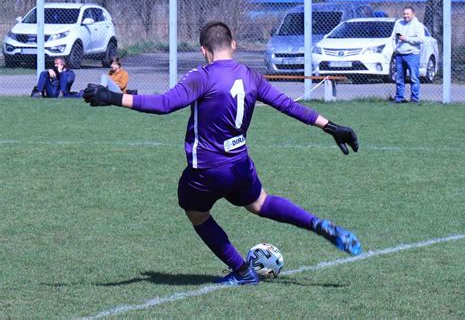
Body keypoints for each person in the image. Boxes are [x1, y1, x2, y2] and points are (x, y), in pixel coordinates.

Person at [83, 21, 361, 286]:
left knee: (194, 210)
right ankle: (316, 224)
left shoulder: (202, 76)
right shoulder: (252, 76)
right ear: (234, 45)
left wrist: (113, 98)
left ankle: (242, 271)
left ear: (204, 50)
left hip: (207, 170)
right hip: (240, 165)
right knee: (260, 203)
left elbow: (165, 104)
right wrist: (331, 126)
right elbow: (288, 105)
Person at [393, 6, 425, 103]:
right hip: (399, 55)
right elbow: (396, 36)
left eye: (408, 14)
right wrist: (395, 49)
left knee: (414, 78)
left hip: (412, 55)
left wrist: (406, 38)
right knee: (399, 78)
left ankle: (414, 99)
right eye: (404, 14)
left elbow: (421, 39)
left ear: (413, 14)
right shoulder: (399, 23)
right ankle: (399, 98)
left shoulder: (418, 25)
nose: (405, 16)